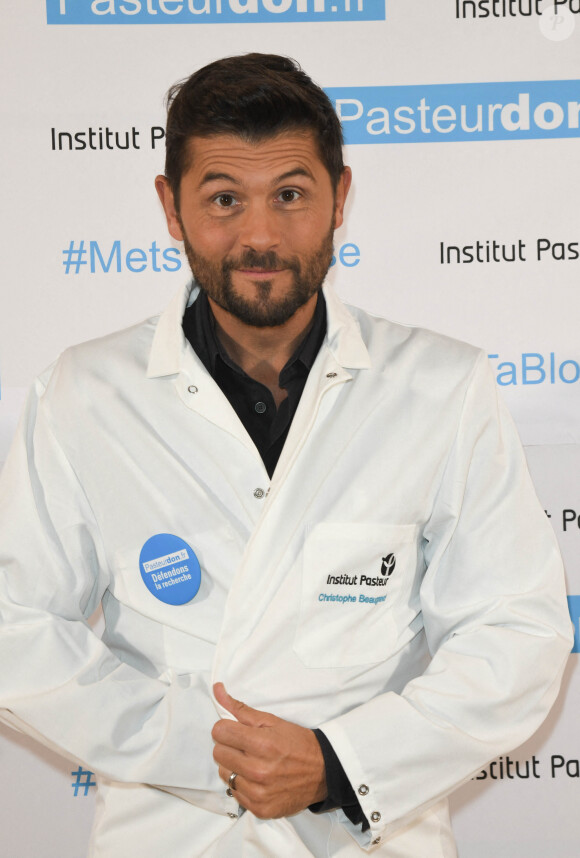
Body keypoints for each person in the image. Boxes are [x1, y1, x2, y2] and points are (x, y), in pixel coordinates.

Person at [0, 53, 572, 857]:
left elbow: (517, 632)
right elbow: (13, 626)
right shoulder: (84, 394)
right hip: (176, 836)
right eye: (225, 199)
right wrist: (203, 749)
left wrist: (340, 764)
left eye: (291, 196)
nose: (260, 235)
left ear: (341, 196)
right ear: (170, 207)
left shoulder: (443, 386)